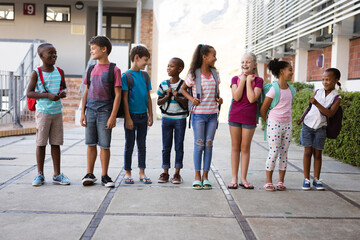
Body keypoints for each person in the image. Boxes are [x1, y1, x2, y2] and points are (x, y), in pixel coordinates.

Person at [80, 36, 122, 188]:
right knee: (90, 143)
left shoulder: (114, 70)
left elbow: (118, 95)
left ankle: (105, 175)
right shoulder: (91, 69)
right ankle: (89, 174)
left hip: (105, 111)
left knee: (104, 145)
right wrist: (82, 112)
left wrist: (113, 116)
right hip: (90, 110)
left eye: (93, 48)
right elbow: (86, 92)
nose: (91, 50)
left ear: (104, 49)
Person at [27, 43, 70, 186]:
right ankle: (40, 174)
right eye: (50, 53)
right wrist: (47, 96)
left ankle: (57, 174)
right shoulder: (36, 73)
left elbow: (63, 87)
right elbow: (29, 93)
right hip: (43, 113)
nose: (54, 56)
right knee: (41, 143)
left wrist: (62, 94)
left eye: (55, 53)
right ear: (41, 56)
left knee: (56, 143)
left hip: (57, 112)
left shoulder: (60, 71)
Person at [181, 44, 223, 190]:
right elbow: (183, 89)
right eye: (213, 55)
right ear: (205, 57)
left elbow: (216, 92)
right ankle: (197, 176)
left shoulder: (215, 74)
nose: (215, 58)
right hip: (198, 115)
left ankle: (206, 176)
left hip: (212, 115)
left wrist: (219, 99)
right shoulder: (194, 74)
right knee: (199, 144)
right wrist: (191, 99)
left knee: (209, 144)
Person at [297, 68, 342, 190]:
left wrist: (317, 103)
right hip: (307, 125)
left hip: (321, 128)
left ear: (336, 80)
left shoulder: (337, 98)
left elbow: (330, 113)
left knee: (317, 154)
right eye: (323, 79)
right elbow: (309, 108)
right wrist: (301, 119)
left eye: (328, 79)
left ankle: (316, 179)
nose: (325, 82)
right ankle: (306, 179)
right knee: (307, 152)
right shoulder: (318, 91)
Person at [227, 53, 263, 189]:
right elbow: (236, 97)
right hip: (235, 116)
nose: (245, 64)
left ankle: (243, 178)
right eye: (243, 62)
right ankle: (234, 178)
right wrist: (243, 79)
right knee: (235, 147)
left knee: (245, 148)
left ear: (254, 64)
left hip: (249, 118)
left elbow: (252, 98)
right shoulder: (235, 78)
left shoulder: (258, 80)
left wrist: (249, 81)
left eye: (248, 62)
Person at [260, 59, 294, 191]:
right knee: (273, 152)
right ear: (281, 72)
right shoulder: (273, 90)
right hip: (274, 124)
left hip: (287, 125)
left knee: (284, 153)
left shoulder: (292, 90)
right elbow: (263, 109)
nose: (291, 73)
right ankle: (268, 181)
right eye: (289, 70)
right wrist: (269, 123)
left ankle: (281, 181)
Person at [122, 45, 153, 184]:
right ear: (136, 58)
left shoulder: (145, 76)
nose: (146, 63)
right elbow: (124, 99)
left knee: (142, 145)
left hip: (143, 116)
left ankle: (142, 172)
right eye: (145, 60)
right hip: (131, 116)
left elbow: (148, 96)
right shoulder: (126, 76)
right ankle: (127, 172)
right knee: (129, 145)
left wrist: (150, 115)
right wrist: (128, 118)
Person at [157, 58, 188, 184]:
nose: (168, 68)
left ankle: (177, 173)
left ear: (180, 69)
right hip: (166, 119)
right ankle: (165, 172)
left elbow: (187, 104)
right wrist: (167, 96)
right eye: (168, 66)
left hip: (180, 119)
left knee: (179, 146)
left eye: (172, 66)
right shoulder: (164, 84)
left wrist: (177, 97)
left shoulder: (185, 85)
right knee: (166, 146)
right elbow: (158, 102)